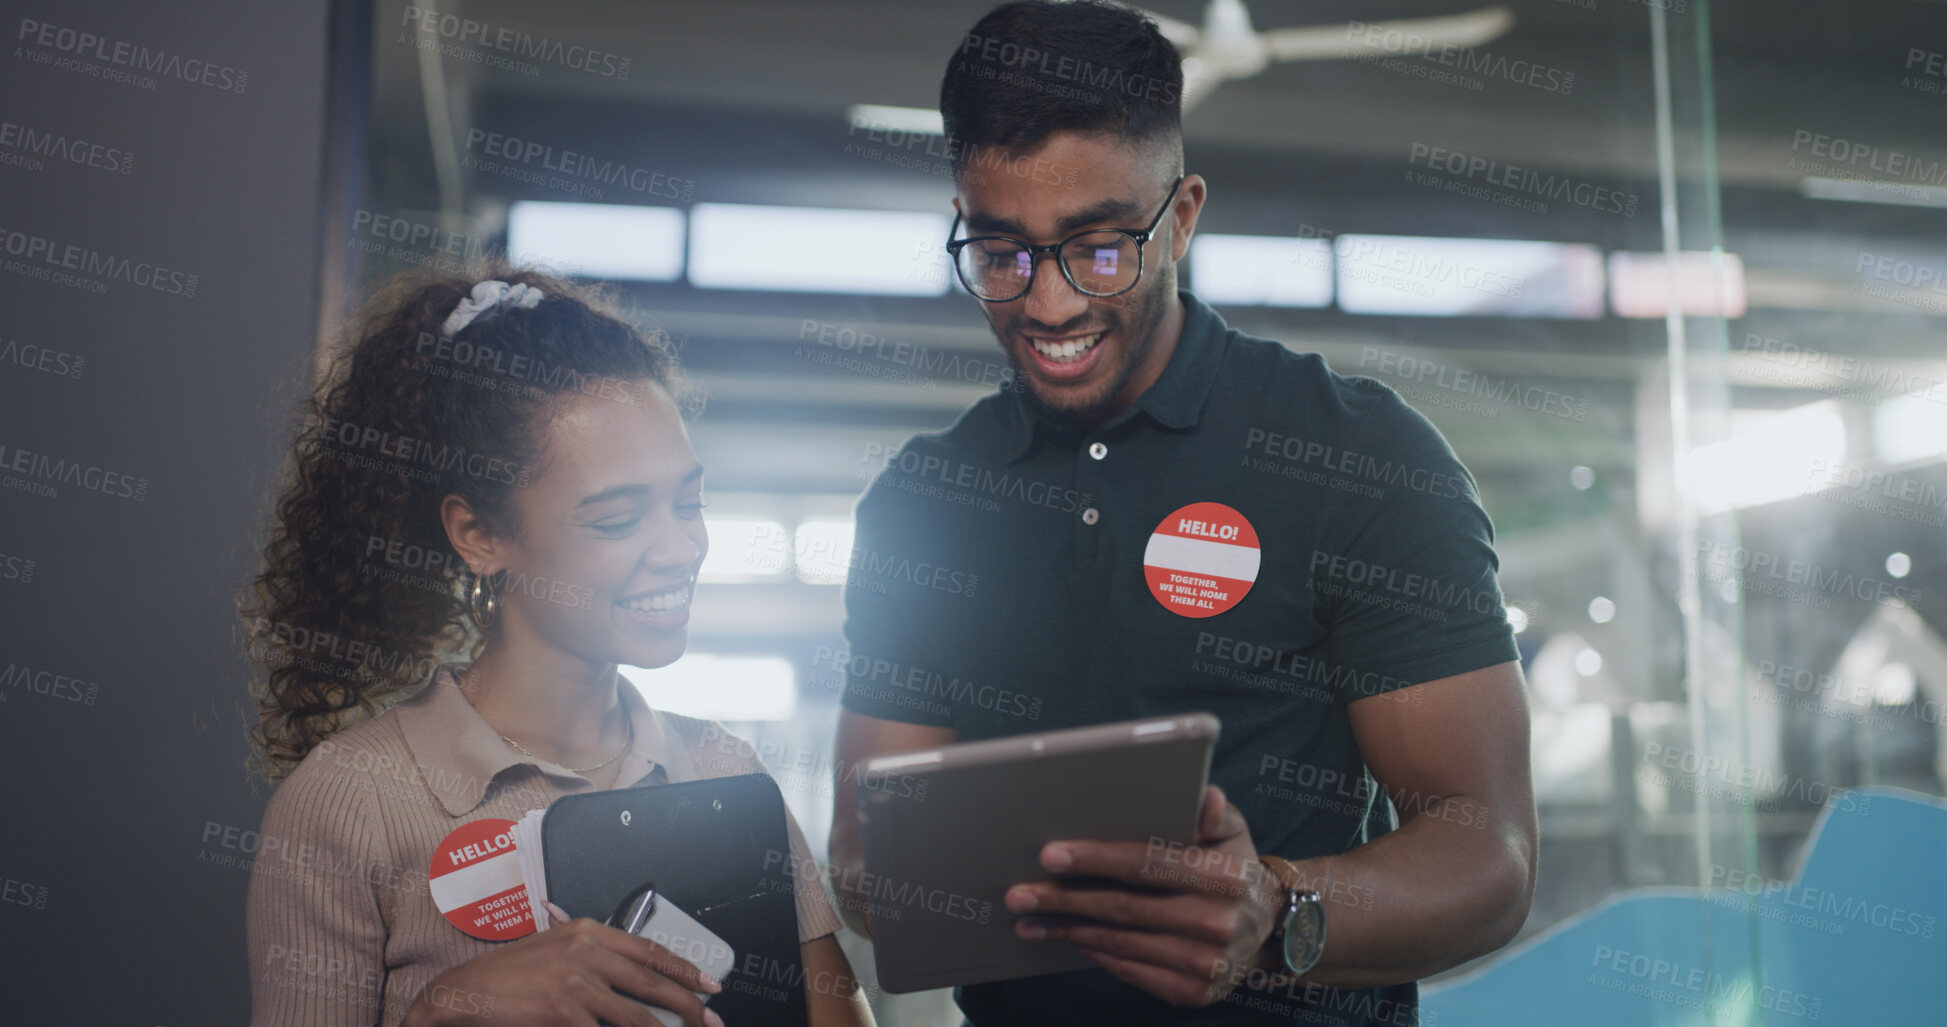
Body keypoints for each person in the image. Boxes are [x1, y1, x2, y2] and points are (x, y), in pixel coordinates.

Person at [827, 3, 1537, 1025]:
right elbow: (860, 852)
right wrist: (949, 881)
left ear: (1185, 215)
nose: (1051, 303)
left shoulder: (1356, 457)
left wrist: (1276, 910)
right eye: (1000, 253)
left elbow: (1490, 851)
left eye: (1101, 247)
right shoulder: (925, 501)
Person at [242, 267, 875, 1027]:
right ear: (479, 535)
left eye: (688, 503)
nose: (678, 549)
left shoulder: (724, 771)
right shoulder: (352, 802)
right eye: (616, 519)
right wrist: (441, 1010)